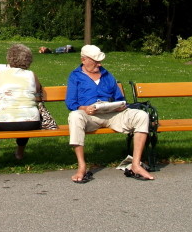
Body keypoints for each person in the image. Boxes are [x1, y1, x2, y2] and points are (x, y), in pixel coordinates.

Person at [66, 44, 154, 183]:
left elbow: (120, 99)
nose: (99, 64)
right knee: (75, 116)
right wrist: (84, 108)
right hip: (90, 116)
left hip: (112, 114)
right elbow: (71, 103)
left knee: (141, 115)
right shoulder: (75, 76)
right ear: (84, 60)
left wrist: (120, 105)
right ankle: (82, 166)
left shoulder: (107, 75)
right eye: (95, 61)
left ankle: (136, 164)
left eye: (100, 61)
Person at [0, 43, 42, 164]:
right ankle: (20, 153)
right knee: (25, 117)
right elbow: (38, 88)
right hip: (31, 122)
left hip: (3, 123)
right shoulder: (31, 75)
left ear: (10, 58)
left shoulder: (1, 74)